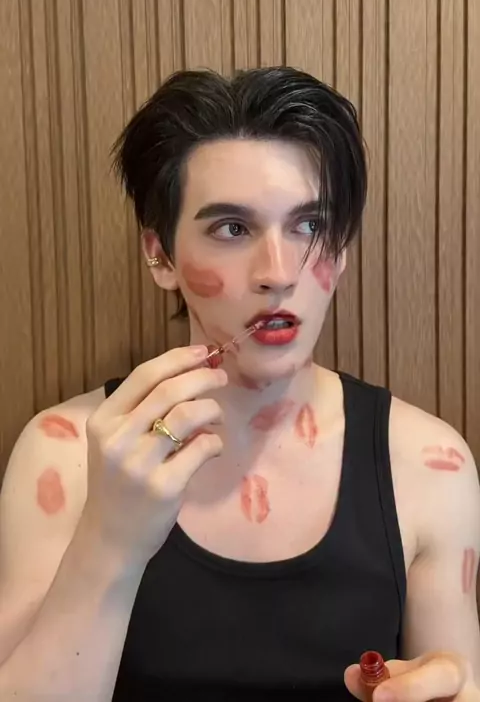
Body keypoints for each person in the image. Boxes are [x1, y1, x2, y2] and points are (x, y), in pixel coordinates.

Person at [0, 67, 478, 702]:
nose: (277, 273)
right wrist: (110, 540)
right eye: (232, 228)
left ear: (341, 248)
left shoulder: (429, 465)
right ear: (160, 255)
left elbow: (452, 678)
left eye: (309, 226)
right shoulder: (64, 455)